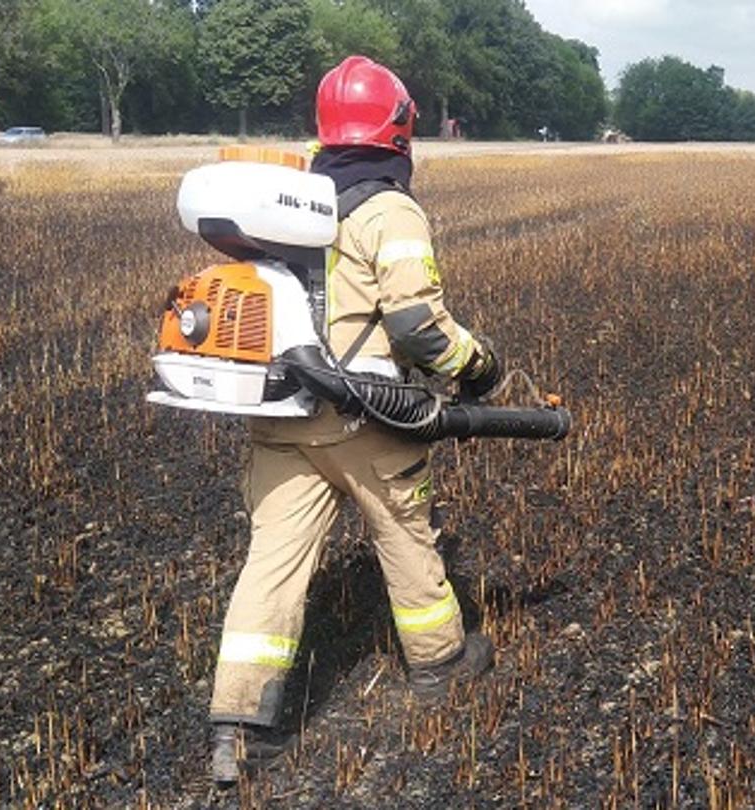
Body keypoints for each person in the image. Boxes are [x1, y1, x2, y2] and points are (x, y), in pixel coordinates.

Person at [206, 55, 504, 787]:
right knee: (406, 536)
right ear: (399, 130)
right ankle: (440, 663)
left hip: (283, 416)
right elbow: (419, 329)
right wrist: (477, 367)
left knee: (272, 564)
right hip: (367, 417)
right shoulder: (388, 210)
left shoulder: (288, 200)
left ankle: (239, 726)